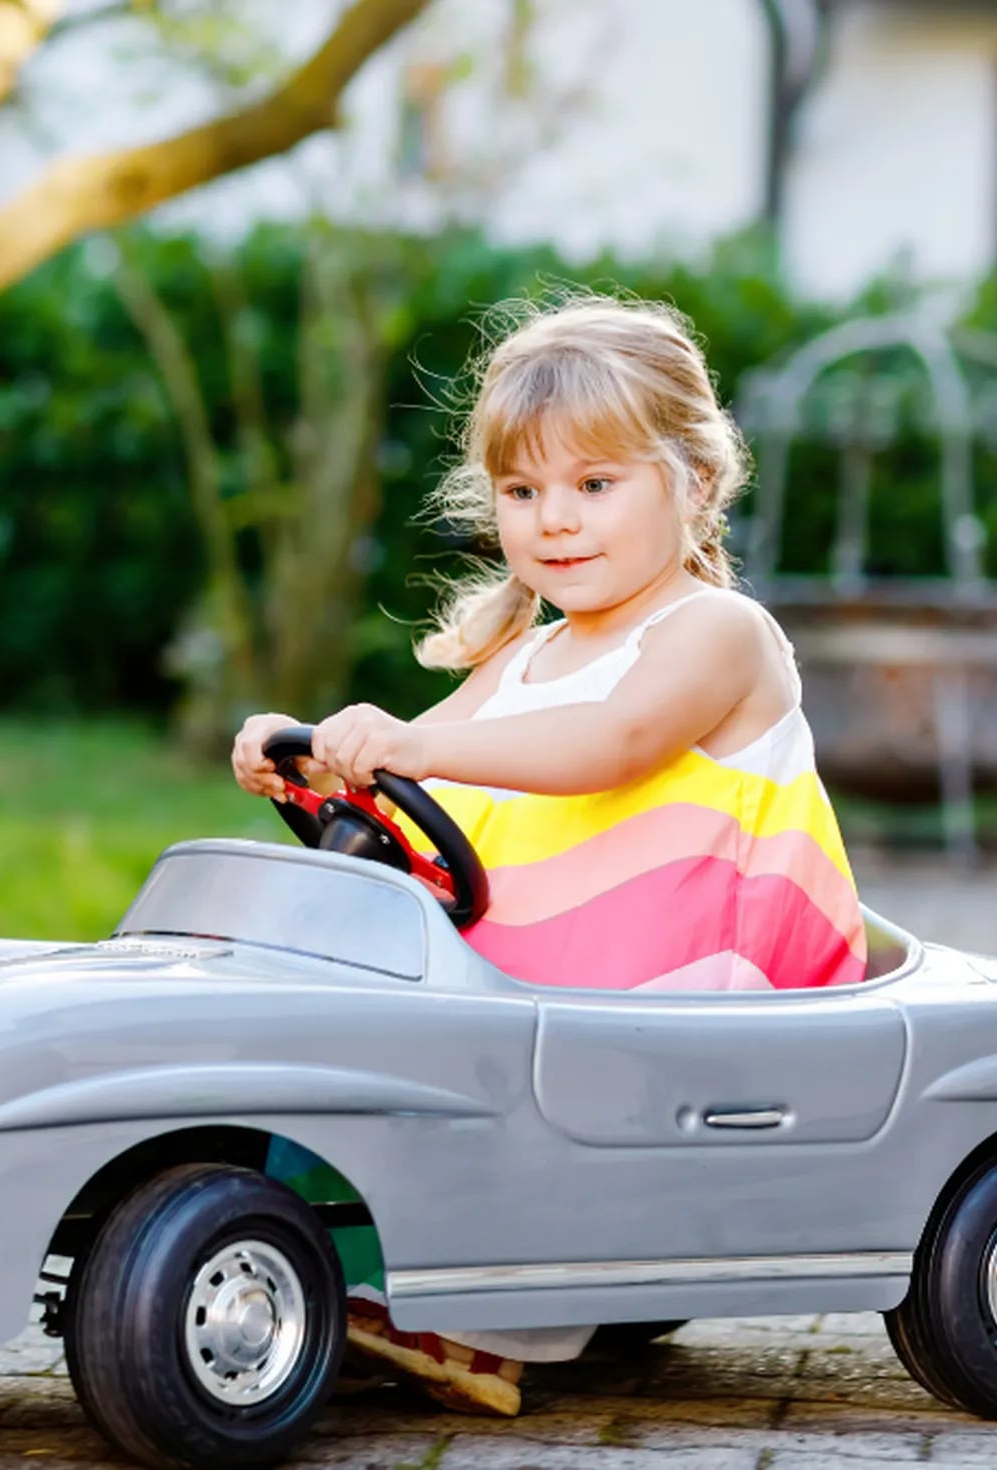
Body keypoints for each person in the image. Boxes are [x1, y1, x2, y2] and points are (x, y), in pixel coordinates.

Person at [230, 293, 867, 1415]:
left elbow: (610, 744)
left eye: (593, 485)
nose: (555, 521)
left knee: (504, 1072)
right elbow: (439, 775)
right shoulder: (527, 656)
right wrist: (320, 757)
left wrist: (414, 736)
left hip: (694, 1006)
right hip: (547, 989)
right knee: (330, 1020)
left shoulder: (716, 634)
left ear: (696, 483)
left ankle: (484, 1306)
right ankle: (297, 1235)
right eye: (523, 493)